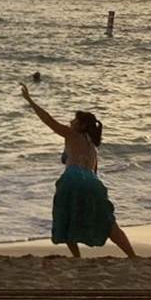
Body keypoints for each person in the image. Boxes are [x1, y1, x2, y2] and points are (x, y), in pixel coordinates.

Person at [19, 82, 136, 258]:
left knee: (65, 217)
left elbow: (48, 120)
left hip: (72, 178)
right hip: (93, 183)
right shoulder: (93, 148)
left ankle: (77, 257)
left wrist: (30, 100)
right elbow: (93, 174)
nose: (70, 122)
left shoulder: (72, 135)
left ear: (81, 126)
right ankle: (132, 256)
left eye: (74, 120)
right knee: (108, 222)